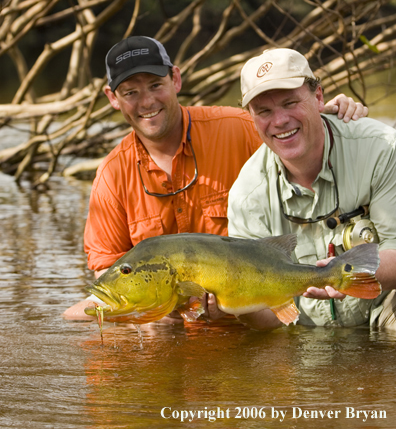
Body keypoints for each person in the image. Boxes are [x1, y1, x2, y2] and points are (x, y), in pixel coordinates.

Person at [63, 37, 368, 320]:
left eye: (155, 85)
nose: (146, 102)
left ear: (176, 79)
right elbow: (107, 269)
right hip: (169, 325)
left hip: (254, 318)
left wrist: (328, 115)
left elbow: (290, 129)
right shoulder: (111, 175)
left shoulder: (237, 128)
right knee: (73, 319)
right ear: (112, 98)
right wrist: (142, 319)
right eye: (130, 92)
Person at [227, 47, 396, 330]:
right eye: (264, 111)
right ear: (251, 117)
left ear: (318, 96)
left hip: (384, 310)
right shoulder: (246, 195)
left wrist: (345, 276)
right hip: (304, 333)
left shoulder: (381, 148)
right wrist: (233, 306)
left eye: (290, 103)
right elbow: (269, 320)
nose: (279, 121)